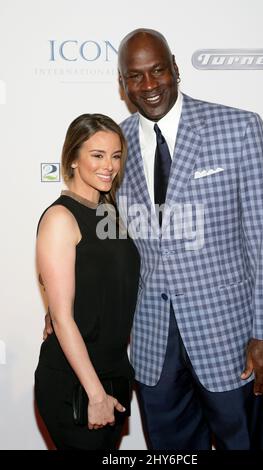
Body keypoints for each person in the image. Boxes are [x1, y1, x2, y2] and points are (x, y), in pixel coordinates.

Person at [116, 29, 263, 450]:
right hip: (152, 340)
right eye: (135, 76)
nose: (149, 85)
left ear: (175, 67)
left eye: (157, 70)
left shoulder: (239, 128)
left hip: (228, 335)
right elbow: (103, 241)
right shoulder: (113, 144)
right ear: (122, 85)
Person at [35, 113, 140, 450]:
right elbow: (64, 317)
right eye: (97, 155)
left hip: (115, 374)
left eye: (116, 155)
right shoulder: (60, 217)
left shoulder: (111, 213)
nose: (109, 165)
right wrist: (95, 394)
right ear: (73, 159)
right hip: (75, 383)